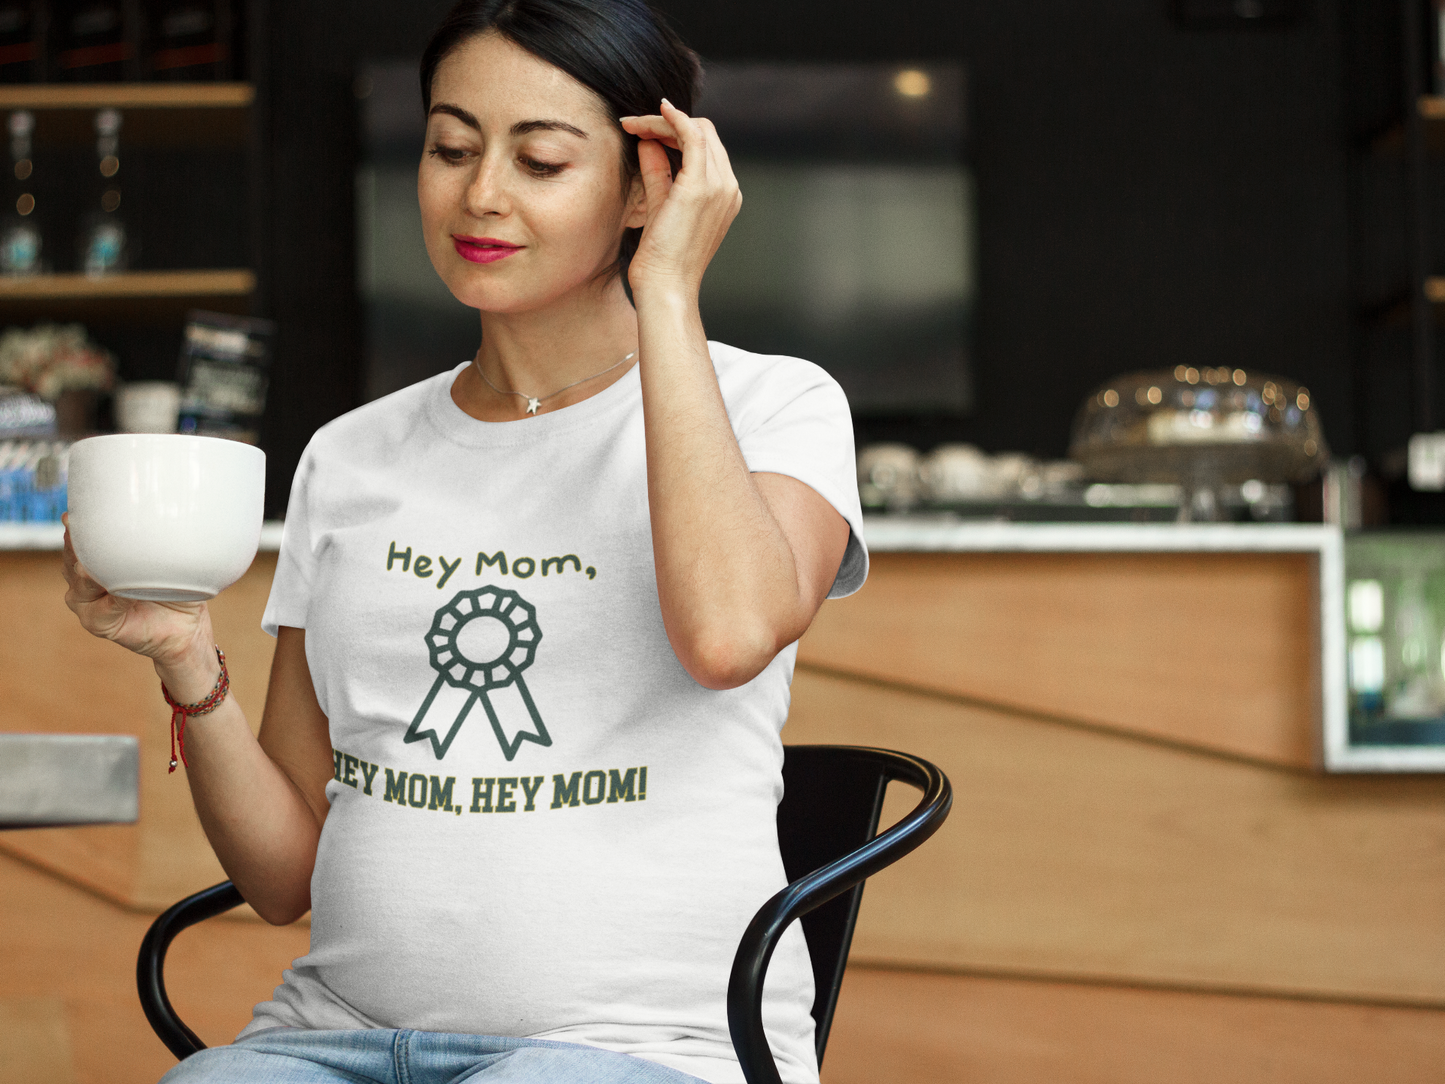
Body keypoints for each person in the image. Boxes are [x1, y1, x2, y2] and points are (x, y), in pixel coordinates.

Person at [62, 1, 867, 1081]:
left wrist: (666, 292)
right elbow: (282, 878)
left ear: (648, 185)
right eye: (450, 148)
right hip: (335, 1036)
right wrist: (187, 663)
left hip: (639, 1048)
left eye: (539, 159)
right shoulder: (350, 458)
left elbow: (726, 634)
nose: (479, 194)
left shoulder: (776, 406)